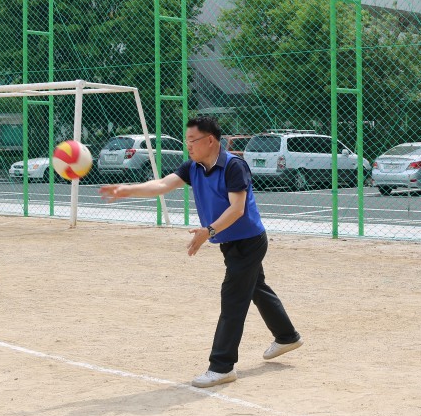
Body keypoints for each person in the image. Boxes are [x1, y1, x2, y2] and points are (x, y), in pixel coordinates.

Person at [100, 116, 302, 388]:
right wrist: (126, 190)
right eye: (187, 141)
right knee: (256, 288)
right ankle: (287, 336)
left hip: (249, 242)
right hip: (231, 241)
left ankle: (222, 367)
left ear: (210, 140)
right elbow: (162, 185)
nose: (188, 146)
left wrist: (209, 231)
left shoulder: (233, 166)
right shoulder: (193, 167)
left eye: (192, 140)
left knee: (233, 299)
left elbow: (237, 209)